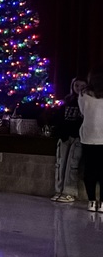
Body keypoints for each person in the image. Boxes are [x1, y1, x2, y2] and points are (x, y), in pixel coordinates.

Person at [51, 77, 86, 203]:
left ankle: (69, 192)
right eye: (77, 85)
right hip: (64, 136)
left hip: (78, 137)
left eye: (82, 86)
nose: (79, 88)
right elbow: (59, 118)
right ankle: (59, 190)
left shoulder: (86, 100)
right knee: (61, 164)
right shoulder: (67, 100)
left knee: (72, 165)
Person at [78, 68, 103, 214]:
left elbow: (82, 112)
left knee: (90, 170)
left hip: (88, 136)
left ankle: (91, 201)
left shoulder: (83, 95)